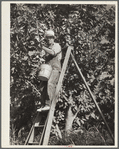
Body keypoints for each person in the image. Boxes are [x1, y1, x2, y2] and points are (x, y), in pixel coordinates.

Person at [38, 30, 62, 111]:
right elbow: (42, 58)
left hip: (55, 68)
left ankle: (48, 104)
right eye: (47, 38)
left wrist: (42, 47)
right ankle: (43, 104)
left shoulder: (57, 45)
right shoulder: (46, 49)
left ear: (53, 38)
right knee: (42, 87)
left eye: (50, 38)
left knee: (50, 83)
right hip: (47, 70)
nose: (49, 40)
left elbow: (53, 53)